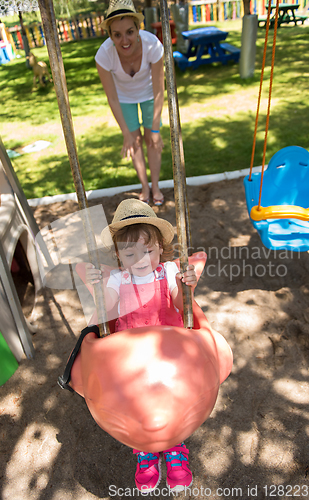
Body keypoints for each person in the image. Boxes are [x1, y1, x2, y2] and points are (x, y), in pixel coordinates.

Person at [83, 198, 197, 493]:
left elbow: (178, 301)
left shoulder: (169, 272)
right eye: (130, 252)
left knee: (171, 401)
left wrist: (187, 287)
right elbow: (106, 310)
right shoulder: (117, 280)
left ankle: (173, 447)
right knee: (135, 404)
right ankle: (144, 449)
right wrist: (97, 290)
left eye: (148, 250)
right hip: (130, 358)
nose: (141, 258)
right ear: (119, 255)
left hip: (167, 354)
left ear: (160, 247)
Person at [95, 0, 165, 206]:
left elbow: (159, 90)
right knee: (134, 142)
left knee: (153, 141)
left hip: (150, 95)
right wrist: (125, 132)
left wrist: (155, 128)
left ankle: (156, 186)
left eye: (129, 32)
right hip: (123, 99)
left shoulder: (153, 45)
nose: (125, 40)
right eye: (117, 35)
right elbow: (112, 97)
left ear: (138, 29)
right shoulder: (104, 55)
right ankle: (144, 186)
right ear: (110, 35)